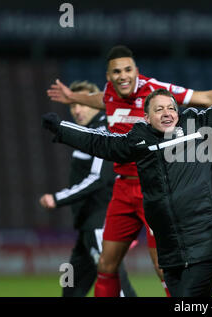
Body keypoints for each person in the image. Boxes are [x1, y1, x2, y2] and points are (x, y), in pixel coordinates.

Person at [46, 46, 212, 297]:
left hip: (153, 187)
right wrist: (74, 98)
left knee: (163, 267)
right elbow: (101, 99)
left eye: (128, 70)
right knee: (106, 265)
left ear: (137, 72)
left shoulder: (153, 90)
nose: (123, 76)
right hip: (122, 189)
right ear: (109, 77)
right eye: (117, 71)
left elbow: (206, 98)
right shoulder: (109, 94)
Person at [39, 80, 137, 297]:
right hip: (86, 228)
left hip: (100, 224)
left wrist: (58, 198)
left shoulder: (103, 130)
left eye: (82, 103)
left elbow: (98, 178)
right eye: (73, 106)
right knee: (71, 287)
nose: (77, 109)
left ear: (96, 103)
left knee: (116, 286)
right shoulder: (87, 133)